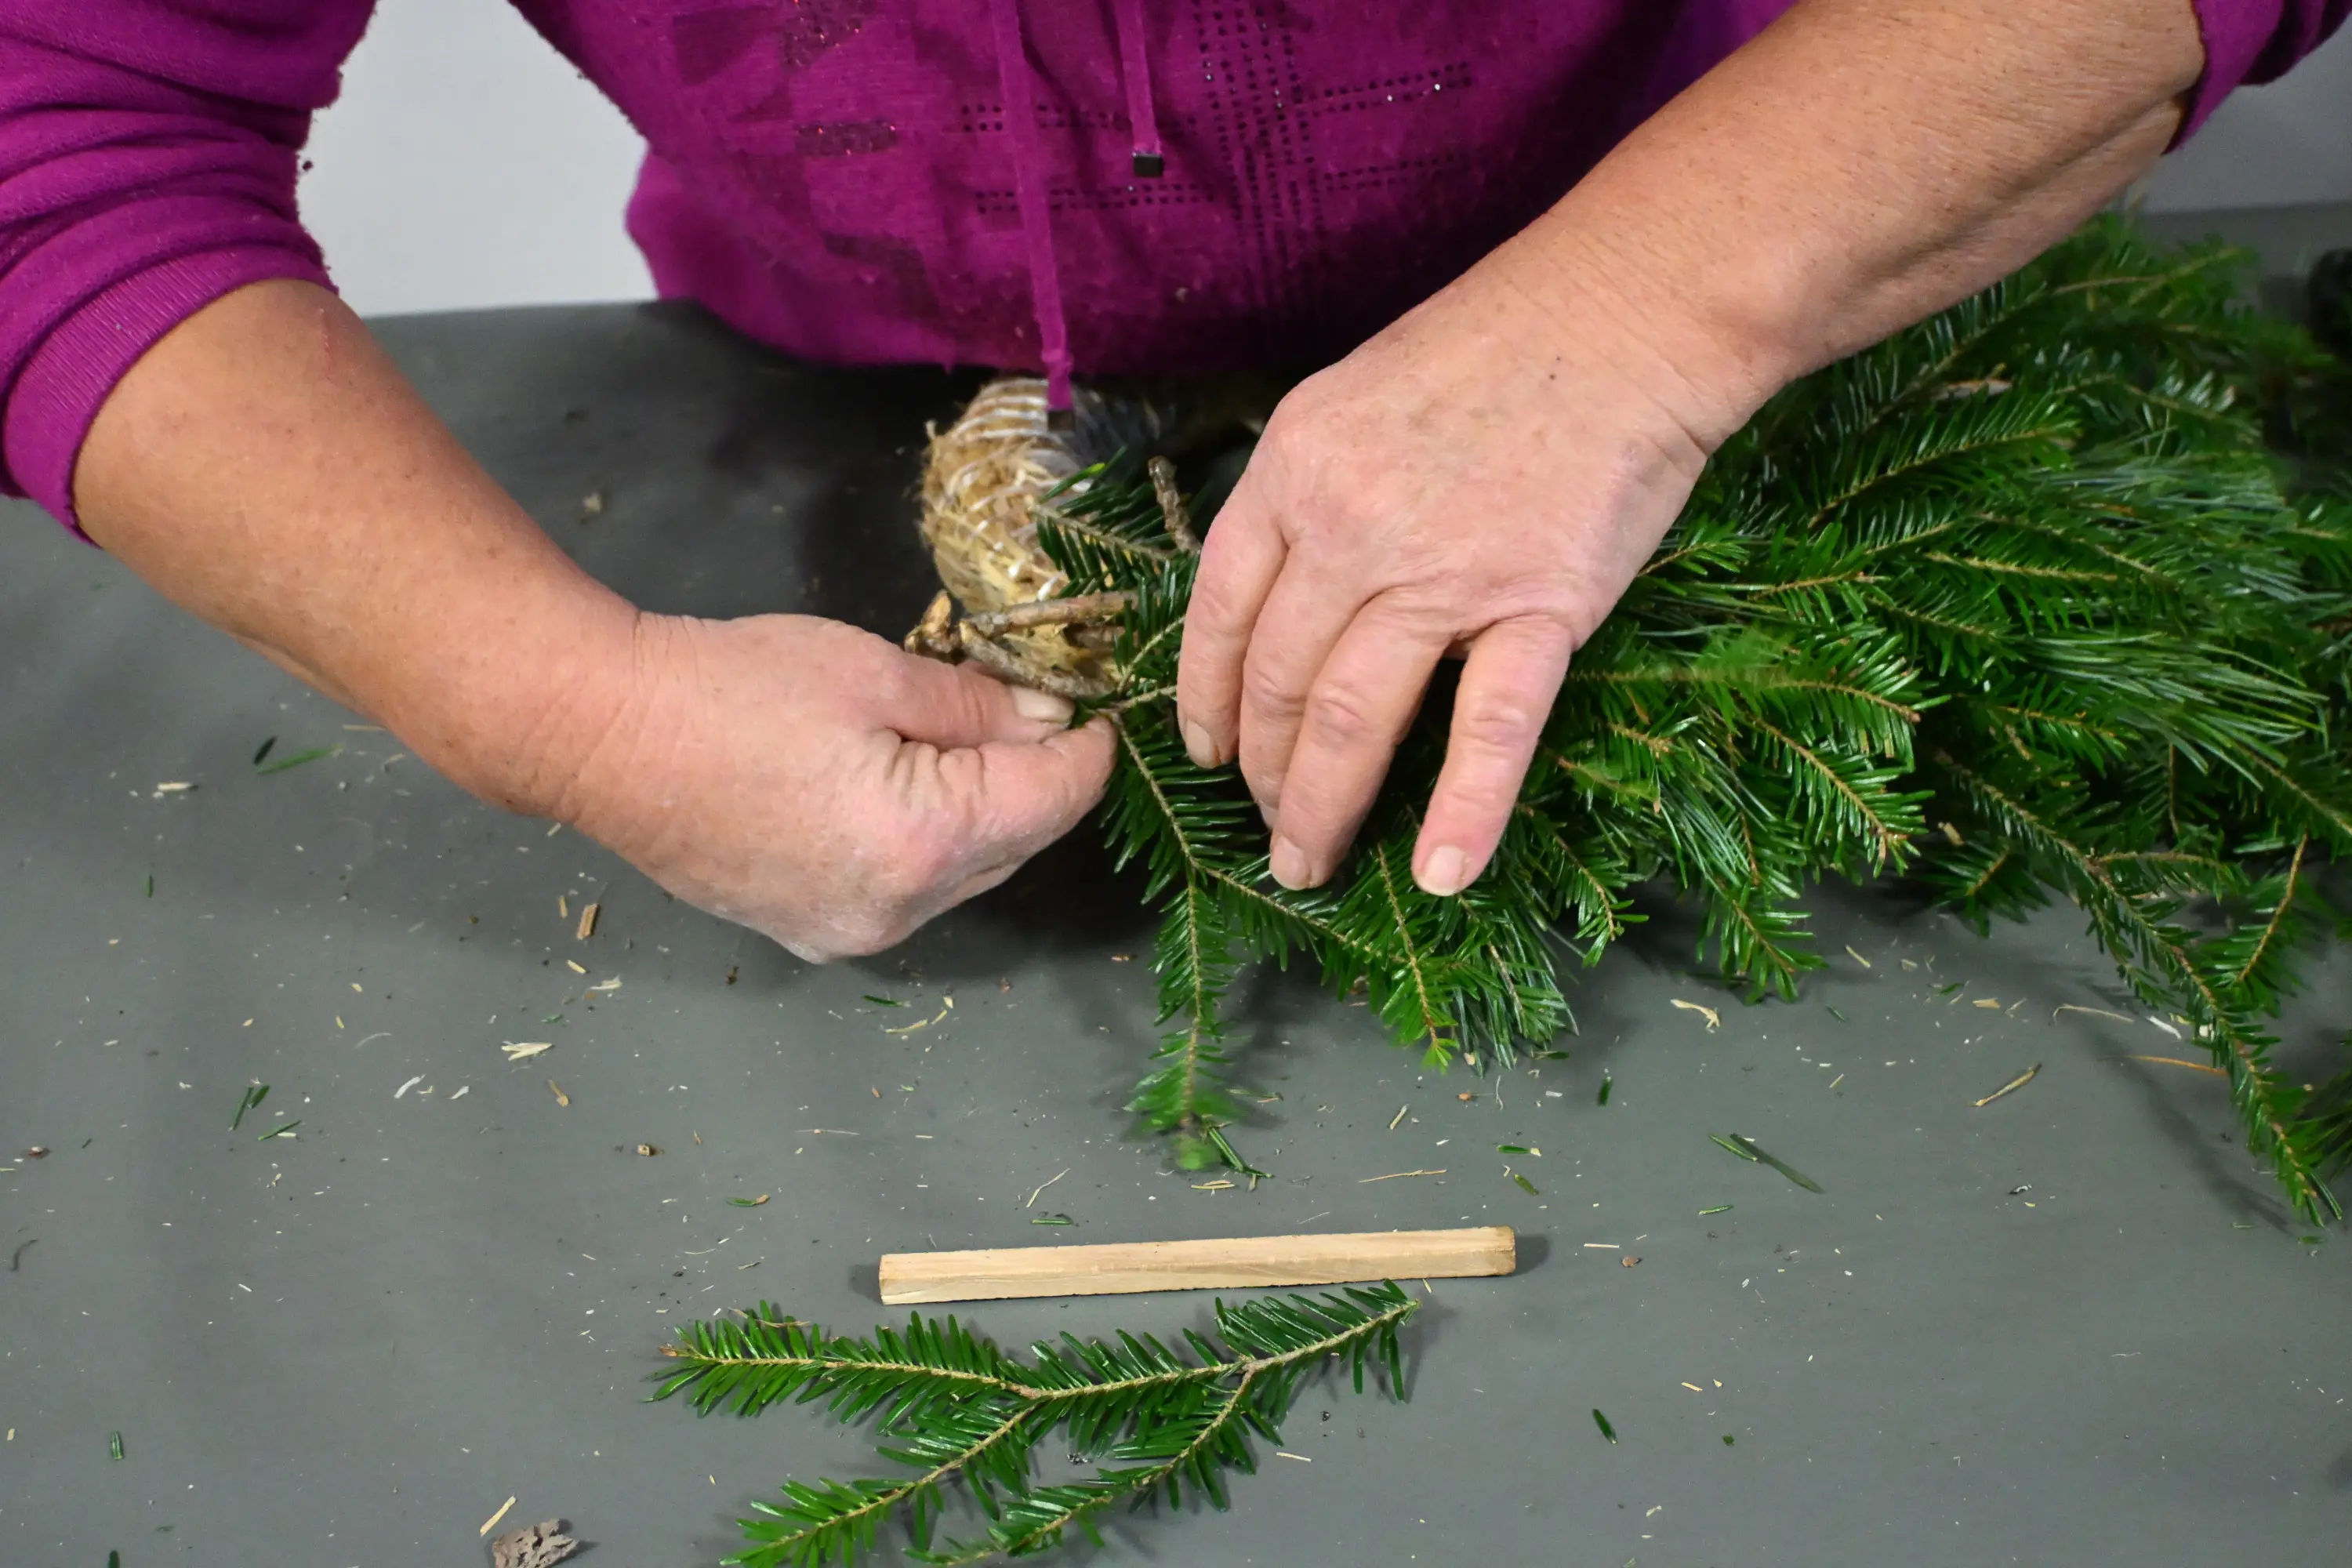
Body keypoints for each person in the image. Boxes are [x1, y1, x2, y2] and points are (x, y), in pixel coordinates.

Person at [1, 2, 2341, 961]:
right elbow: (53, 114)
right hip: (826, 372)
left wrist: (1643, 317)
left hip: (1813, 306)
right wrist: (563, 707)